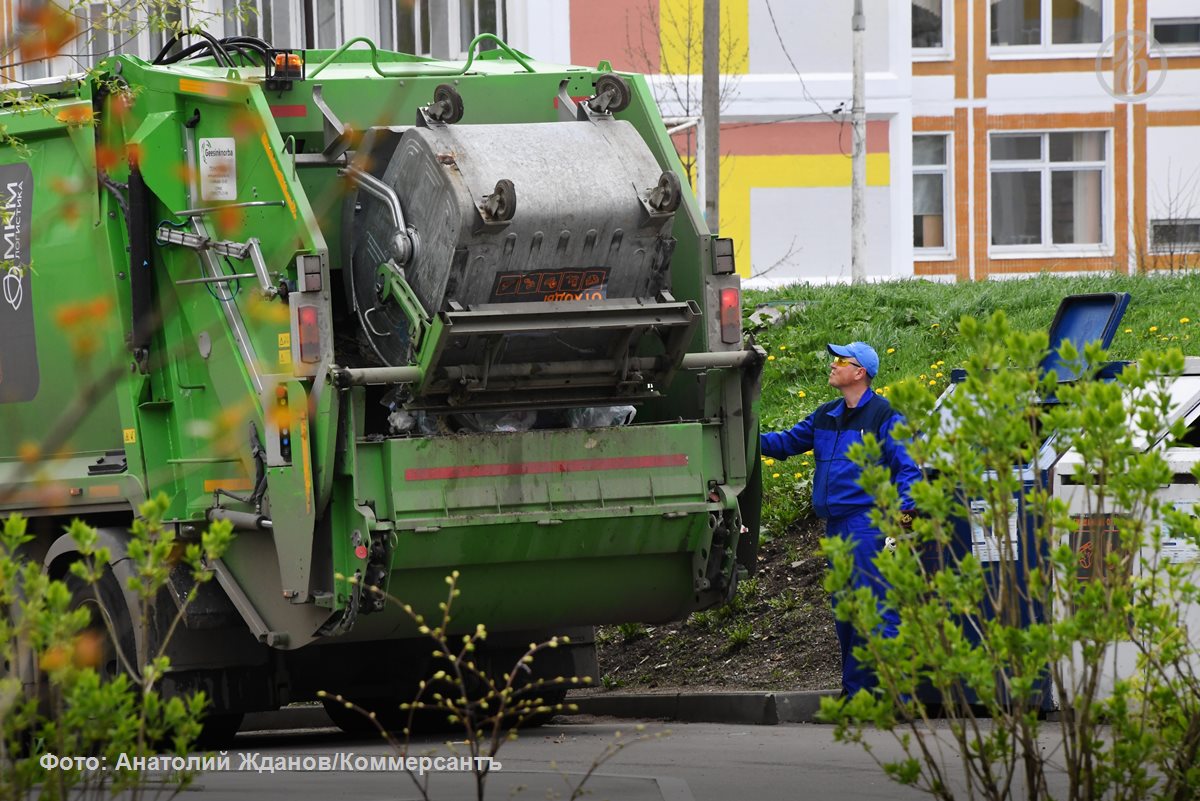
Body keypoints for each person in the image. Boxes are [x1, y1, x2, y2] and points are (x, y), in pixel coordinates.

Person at [760, 341, 920, 697]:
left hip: (870, 526)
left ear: (859, 372)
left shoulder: (884, 415)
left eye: (840, 361)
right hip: (836, 529)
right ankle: (857, 697)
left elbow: (909, 468)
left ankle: (896, 699)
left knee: (877, 613)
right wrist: (738, 435)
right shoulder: (826, 415)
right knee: (847, 618)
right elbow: (784, 444)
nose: (832, 365)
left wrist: (904, 520)